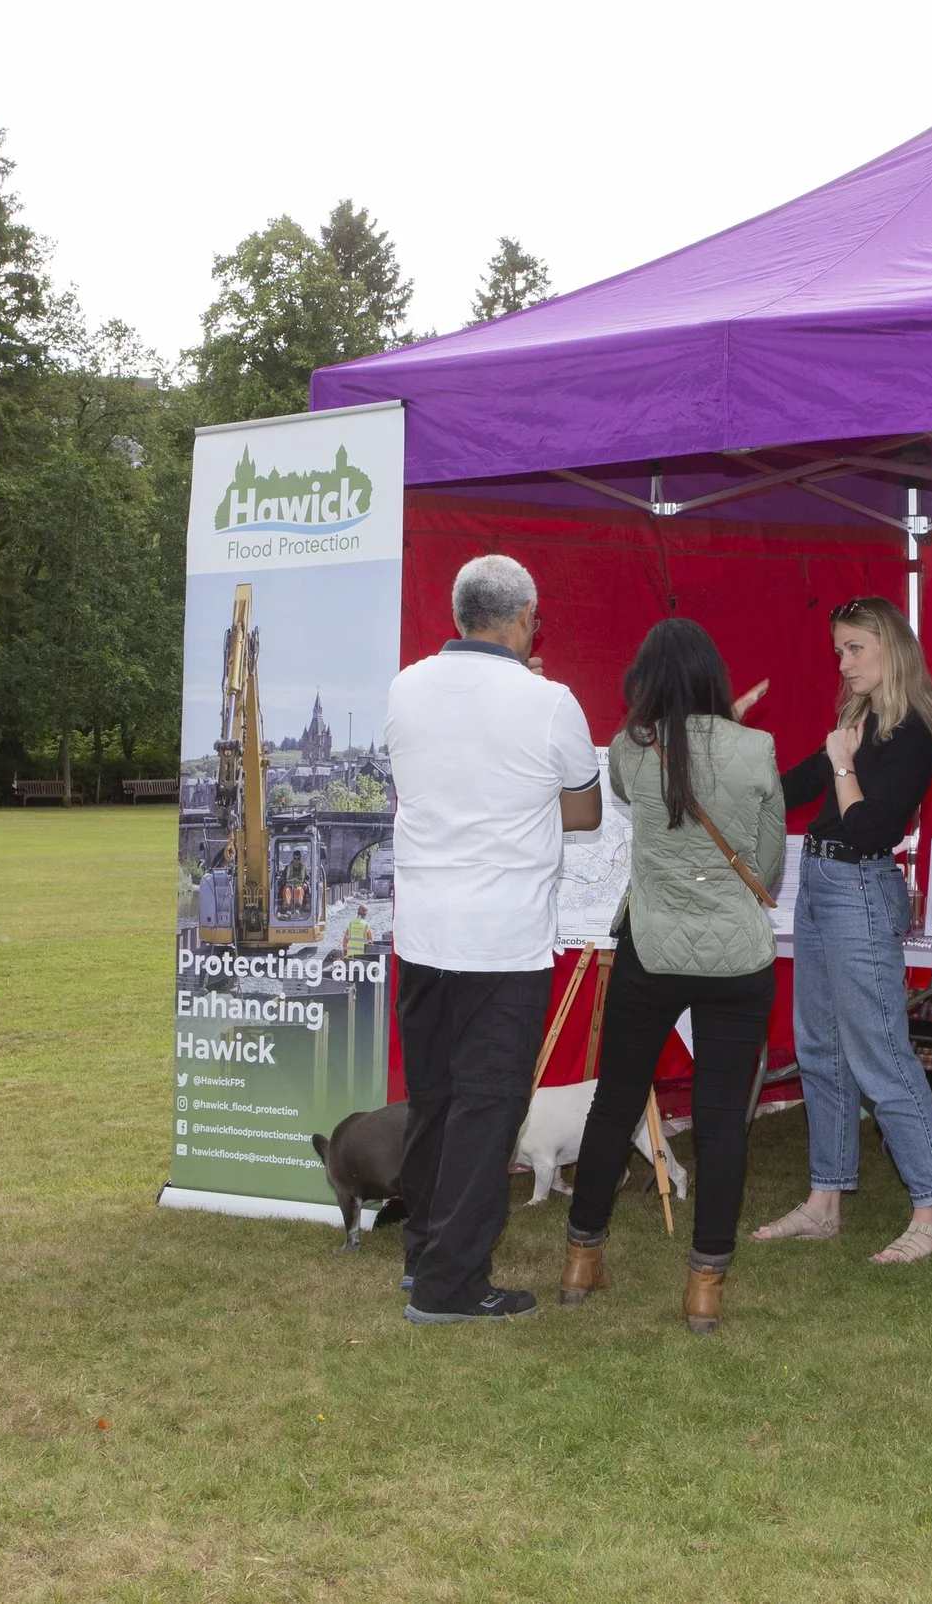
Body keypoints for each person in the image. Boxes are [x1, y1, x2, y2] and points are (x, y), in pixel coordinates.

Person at [385, 554, 602, 1324]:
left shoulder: (404, 687)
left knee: (435, 1100)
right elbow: (585, 813)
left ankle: (423, 1257)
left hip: (423, 931)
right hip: (503, 939)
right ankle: (452, 1285)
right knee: (487, 1105)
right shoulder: (551, 701)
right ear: (521, 618)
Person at [559, 619, 783, 1332]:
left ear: (646, 682)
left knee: (615, 1103)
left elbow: (648, 776)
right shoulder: (757, 749)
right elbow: (767, 865)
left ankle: (579, 1260)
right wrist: (732, 731)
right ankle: (704, 1289)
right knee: (722, 1123)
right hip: (738, 958)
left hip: (651, 951)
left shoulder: (631, 748)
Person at [753, 595, 932, 1264]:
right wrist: (726, 755)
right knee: (820, 1050)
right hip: (817, 886)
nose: (843, 664)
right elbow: (785, 790)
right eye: (839, 650)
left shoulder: (913, 733)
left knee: (881, 1055)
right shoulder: (856, 724)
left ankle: (930, 1216)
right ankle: (824, 1204)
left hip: (860, 891)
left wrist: (842, 764)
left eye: (854, 649)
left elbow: (872, 832)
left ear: (890, 649)